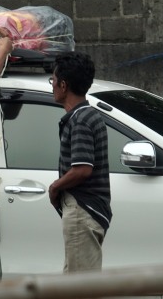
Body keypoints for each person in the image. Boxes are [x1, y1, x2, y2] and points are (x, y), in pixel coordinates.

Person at [47, 52, 112, 273]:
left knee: (79, 287)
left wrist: (56, 187)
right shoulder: (87, 115)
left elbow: (82, 170)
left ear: (63, 85)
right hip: (88, 210)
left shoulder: (81, 119)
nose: (52, 85)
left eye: (53, 80)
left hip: (82, 208)